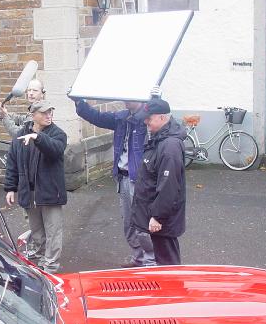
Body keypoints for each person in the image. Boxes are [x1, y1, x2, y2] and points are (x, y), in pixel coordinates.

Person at [74, 98, 155, 268]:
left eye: (129, 97)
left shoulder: (148, 118)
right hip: (122, 177)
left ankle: (151, 262)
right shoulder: (121, 117)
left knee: (142, 222)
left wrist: (154, 99)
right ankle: (138, 257)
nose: (125, 100)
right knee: (128, 222)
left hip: (139, 180)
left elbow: (164, 124)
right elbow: (97, 117)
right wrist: (79, 102)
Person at [4, 100, 67, 273]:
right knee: (37, 231)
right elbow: (12, 162)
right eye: (44, 112)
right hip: (29, 191)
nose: (49, 115)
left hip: (50, 192)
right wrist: (10, 188)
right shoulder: (21, 134)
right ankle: (40, 260)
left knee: (53, 231)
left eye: (50, 112)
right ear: (33, 115)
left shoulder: (58, 134)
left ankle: (51, 266)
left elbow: (55, 150)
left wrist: (38, 137)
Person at [130, 98, 186, 265]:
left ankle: (172, 283)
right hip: (158, 217)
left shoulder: (169, 146)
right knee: (164, 260)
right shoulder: (160, 138)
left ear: (162, 117)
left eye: (149, 118)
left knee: (168, 263)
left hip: (163, 221)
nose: (146, 122)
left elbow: (169, 185)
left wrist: (157, 217)